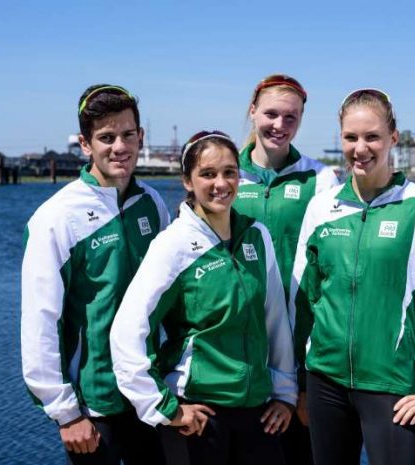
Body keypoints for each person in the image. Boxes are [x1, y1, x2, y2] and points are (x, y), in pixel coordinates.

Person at [290, 89, 415, 465]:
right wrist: (298, 382)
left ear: (394, 138)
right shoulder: (322, 207)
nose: (361, 148)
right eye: (350, 137)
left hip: (390, 387)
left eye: (372, 136)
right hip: (324, 383)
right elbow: (302, 301)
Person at [110, 130, 297, 465]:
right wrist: (162, 407)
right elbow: (127, 331)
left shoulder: (257, 235)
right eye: (208, 174)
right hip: (199, 415)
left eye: (229, 172)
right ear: (187, 181)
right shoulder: (174, 245)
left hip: (257, 409)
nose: (221, 184)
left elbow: (276, 320)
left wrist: (284, 394)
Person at [21, 84, 172, 464]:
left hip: (152, 395)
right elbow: (40, 319)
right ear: (85, 145)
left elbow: (173, 297)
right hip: (95, 405)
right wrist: (64, 411)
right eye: (106, 137)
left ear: (140, 137)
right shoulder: (56, 218)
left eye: (128, 135)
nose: (119, 147)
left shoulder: (151, 204)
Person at [233, 74, 339, 464]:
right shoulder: (228, 175)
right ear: (253, 111)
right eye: (271, 114)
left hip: (298, 350)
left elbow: (328, 273)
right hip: (239, 352)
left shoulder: (320, 179)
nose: (279, 125)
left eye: (290, 117)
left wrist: (308, 379)